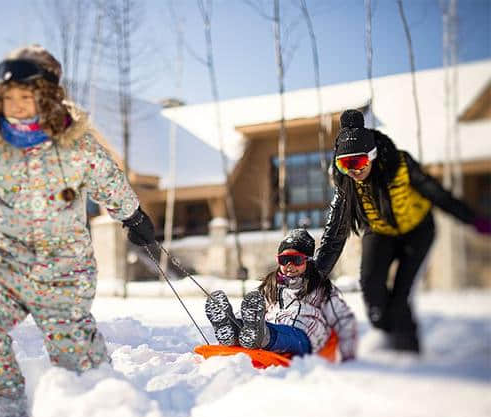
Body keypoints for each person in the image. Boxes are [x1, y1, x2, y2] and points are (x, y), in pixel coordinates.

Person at [0, 45, 155, 417]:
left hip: (64, 267)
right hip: (3, 259)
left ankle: (95, 399)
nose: (17, 106)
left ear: (48, 95)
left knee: (73, 346)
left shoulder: (76, 145)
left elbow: (109, 182)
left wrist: (134, 216)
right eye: (9, 98)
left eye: (27, 96)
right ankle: (0, 403)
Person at [315, 109, 490, 353]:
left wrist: (476, 221)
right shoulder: (346, 184)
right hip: (380, 232)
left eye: (358, 162)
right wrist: (315, 275)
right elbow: (335, 233)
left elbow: (438, 194)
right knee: (372, 292)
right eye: (345, 164)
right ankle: (389, 339)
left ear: (372, 155)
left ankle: (408, 351)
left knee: (399, 298)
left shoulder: (400, 165)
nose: (353, 171)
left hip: (417, 231)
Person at [205, 229, 357, 362]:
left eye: (296, 260)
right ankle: (231, 329)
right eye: (284, 260)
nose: (289, 266)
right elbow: (252, 313)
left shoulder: (319, 287)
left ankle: (261, 336)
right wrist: (239, 321)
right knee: (252, 325)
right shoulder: (271, 286)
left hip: (304, 335)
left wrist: (348, 354)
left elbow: (342, 318)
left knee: (283, 334)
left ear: (308, 261)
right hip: (268, 327)